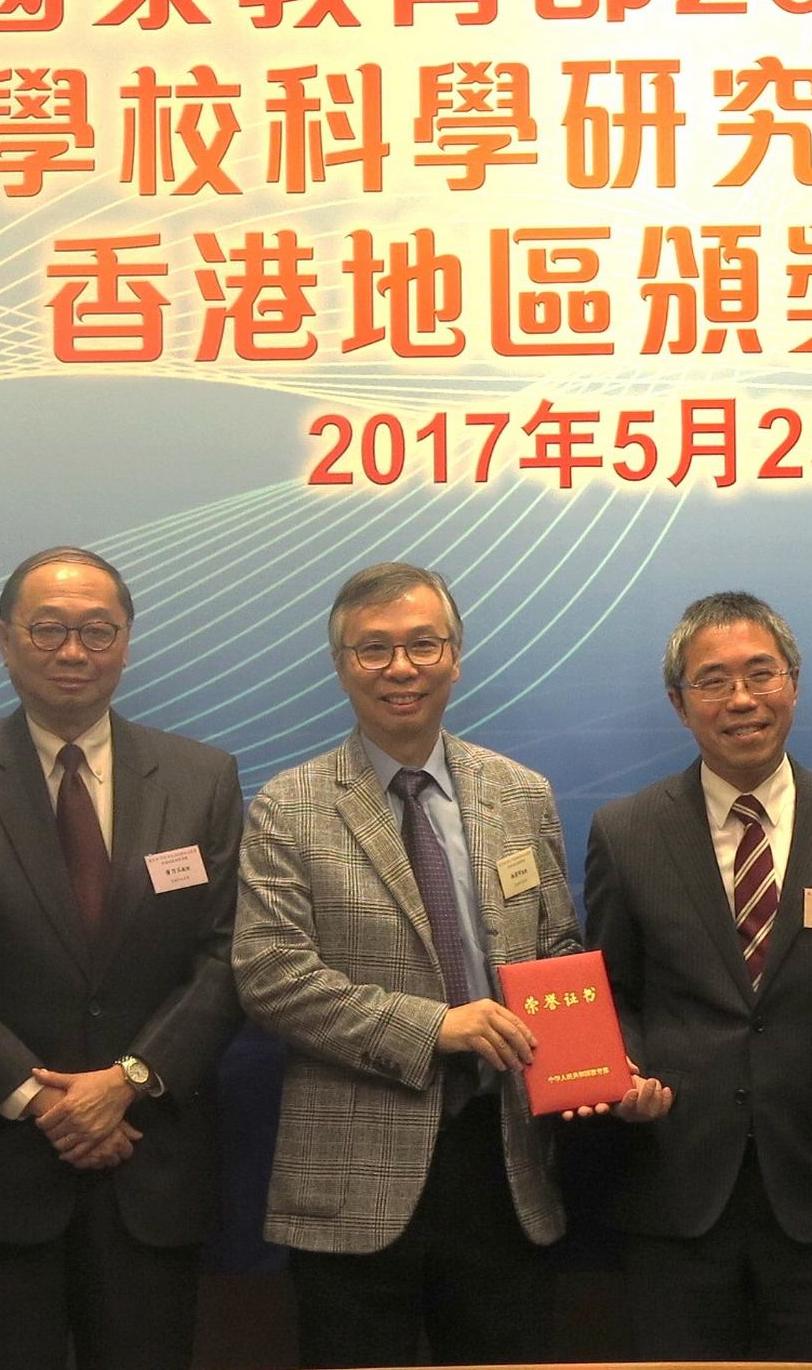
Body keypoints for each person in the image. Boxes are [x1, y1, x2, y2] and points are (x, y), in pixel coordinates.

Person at [233, 562, 606, 1367]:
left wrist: (591, 1063)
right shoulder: (286, 806)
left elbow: (560, 951)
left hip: (504, 1164)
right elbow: (271, 974)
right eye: (373, 649)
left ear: (456, 656)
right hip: (352, 1174)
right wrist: (438, 1025)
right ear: (341, 665)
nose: (400, 668)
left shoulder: (521, 793)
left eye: (422, 645)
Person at [0, 545, 244, 1370]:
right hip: (4, 1170)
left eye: (97, 629)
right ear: (5, 640)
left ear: (127, 640)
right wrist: (49, 1103)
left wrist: (126, 1080)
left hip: (151, 1162)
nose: (73, 651)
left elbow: (227, 958)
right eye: (48, 628)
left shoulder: (202, 778)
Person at [584, 590, 812, 1360]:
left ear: (794, 683)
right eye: (713, 680)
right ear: (680, 704)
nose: (741, 699)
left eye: (761, 673)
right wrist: (628, 1073)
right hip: (675, 1191)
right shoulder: (626, 830)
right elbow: (614, 991)